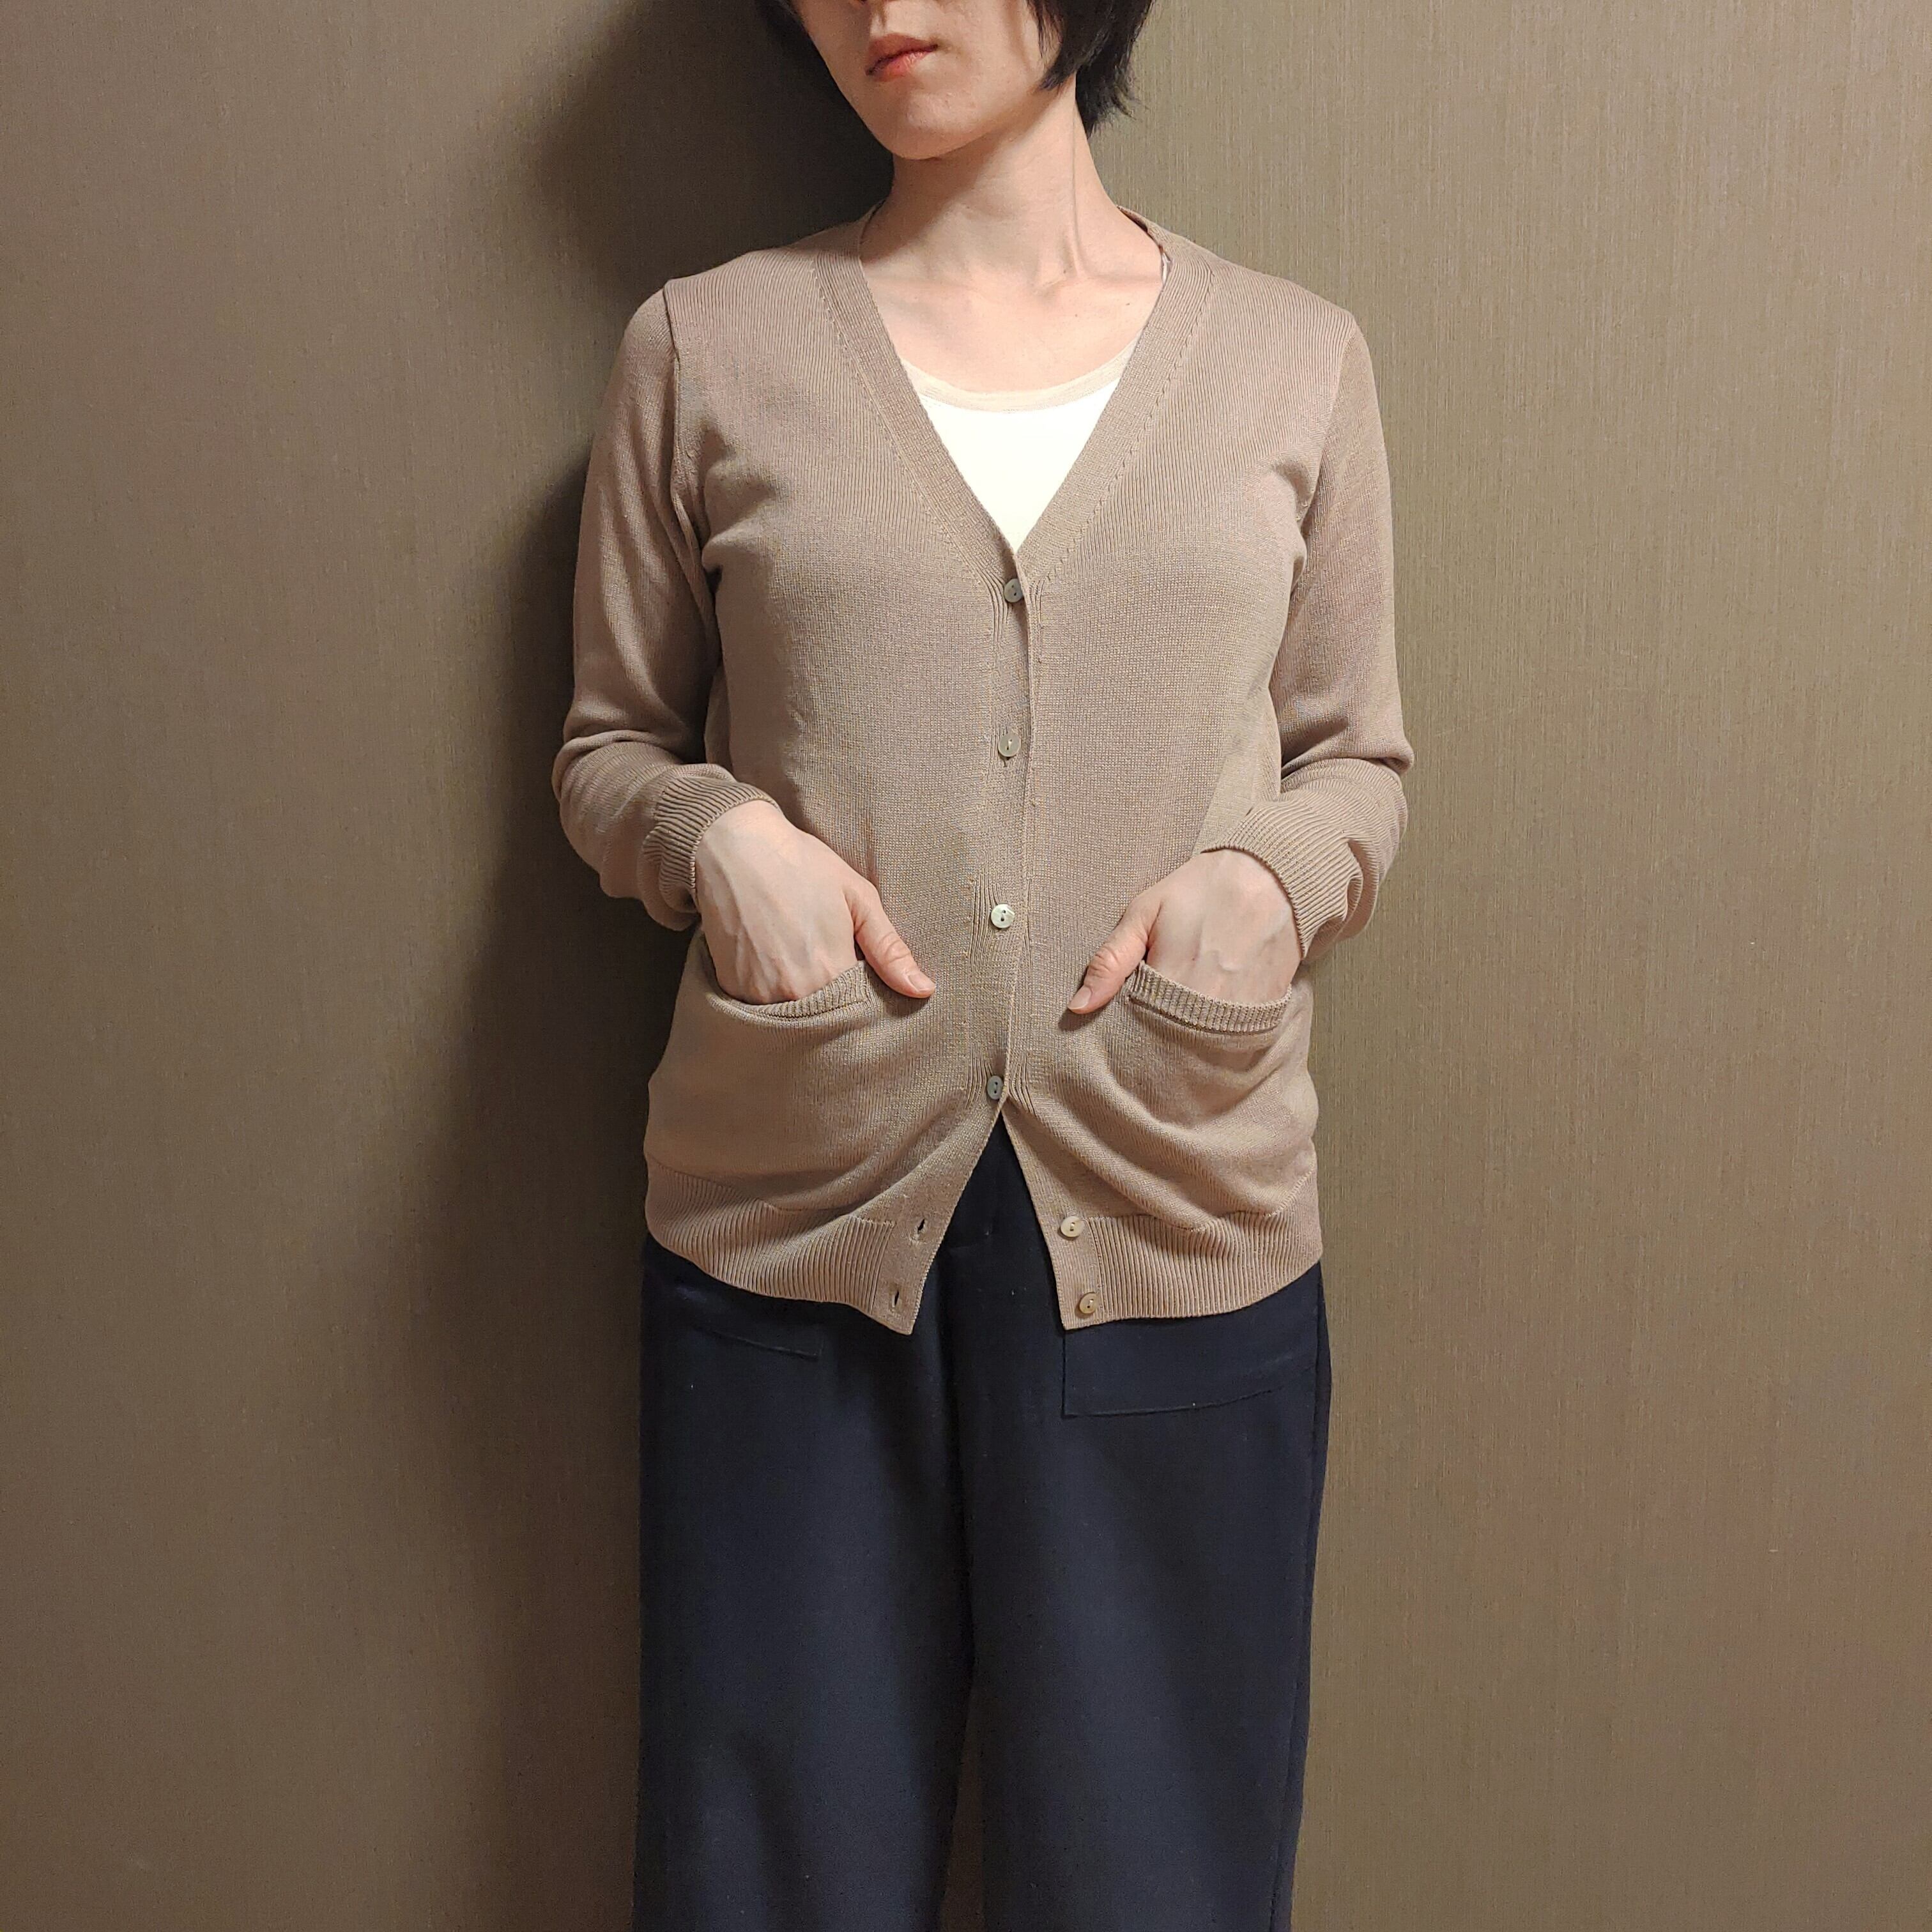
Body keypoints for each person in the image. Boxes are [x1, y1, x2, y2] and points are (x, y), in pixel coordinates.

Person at [551, 2, 1414, 1926]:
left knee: (1157, 1880)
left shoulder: (1294, 361)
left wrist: (1264, 887)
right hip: (790, 1224)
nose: (880, 7)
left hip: (1178, 1216)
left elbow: (1359, 761)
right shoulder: (706, 346)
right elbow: (608, 750)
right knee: (766, 1879)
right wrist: (718, 840)